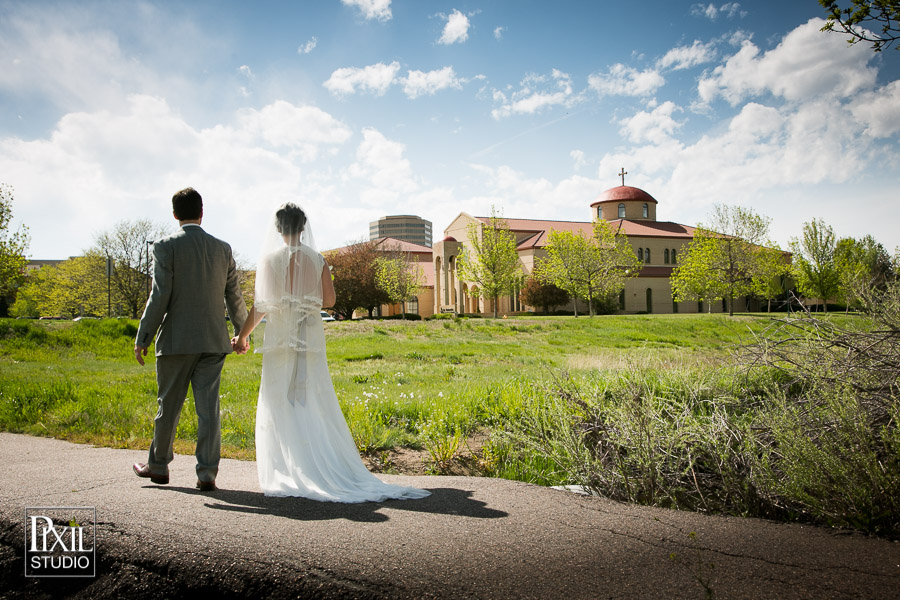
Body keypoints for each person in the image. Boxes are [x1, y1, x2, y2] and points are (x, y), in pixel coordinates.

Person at [232, 203, 429, 503]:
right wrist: (305, 300)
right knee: (310, 396)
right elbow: (329, 300)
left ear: (278, 229)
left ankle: (289, 466)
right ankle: (317, 462)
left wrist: (242, 336)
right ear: (302, 227)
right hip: (309, 338)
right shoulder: (317, 259)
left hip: (281, 339)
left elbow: (261, 306)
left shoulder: (270, 260)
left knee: (278, 398)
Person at [132, 188, 248, 492]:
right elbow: (233, 295)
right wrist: (242, 332)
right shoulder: (222, 249)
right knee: (208, 409)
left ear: (174, 214)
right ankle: (207, 473)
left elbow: (160, 296)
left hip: (176, 341)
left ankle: (158, 467)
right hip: (214, 341)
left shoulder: (165, 247)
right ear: (202, 212)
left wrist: (144, 335)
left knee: (168, 405)